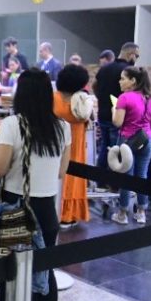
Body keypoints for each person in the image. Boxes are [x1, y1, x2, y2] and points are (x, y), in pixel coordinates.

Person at [0, 69, 69, 301]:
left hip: (16, 208)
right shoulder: (62, 127)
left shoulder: (12, 124)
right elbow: (61, 171)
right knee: (45, 273)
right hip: (47, 210)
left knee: (9, 272)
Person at [111, 66, 151, 225]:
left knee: (127, 177)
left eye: (123, 78)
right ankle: (141, 212)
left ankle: (122, 213)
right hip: (147, 140)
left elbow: (117, 122)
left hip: (127, 140)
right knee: (142, 175)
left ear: (133, 81)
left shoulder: (124, 98)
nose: (120, 81)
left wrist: (114, 110)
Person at [54, 64, 94, 227]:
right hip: (76, 145)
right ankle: (69, 214)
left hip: (55, 145)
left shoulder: (52, 98)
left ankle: (55, 212)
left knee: (56, 177)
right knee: (74, 178)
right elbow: (89, 118)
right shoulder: (82, 101)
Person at [94, 43, 139, 173]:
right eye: (136, 56)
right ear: (130, 54)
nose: (136, 59)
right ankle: (113, 181)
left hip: (103, 113)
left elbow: (95, 86)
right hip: (119, 116)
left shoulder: (104, 68)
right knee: (117, 151)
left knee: (104, 148)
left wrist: (102, 98)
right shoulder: (128, 71)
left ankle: (99, 178)